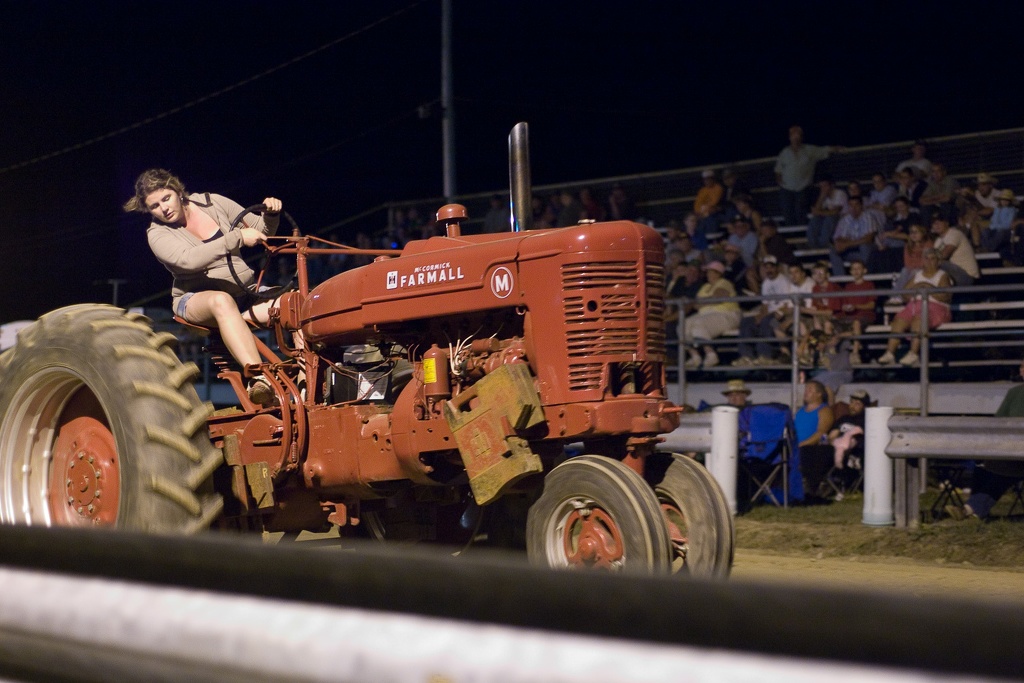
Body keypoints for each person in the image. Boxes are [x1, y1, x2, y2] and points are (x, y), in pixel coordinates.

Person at [125, 168, 283, 405]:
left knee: (295, 303)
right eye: (155, 206)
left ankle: (306, 382)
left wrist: (271, 214)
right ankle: (258, 378)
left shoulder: (212, 202)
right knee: (221, 300)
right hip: (195, 299)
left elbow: (260, 231)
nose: (164, 208)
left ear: (177, 191)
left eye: (166, 198)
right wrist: (236, 238)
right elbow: (188, 260)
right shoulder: (157, 234)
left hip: (244, 293)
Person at [946, 358, 1024, 521]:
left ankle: (971, 510)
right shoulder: (1015, 393)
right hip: (1012, 449)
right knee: (984, 464)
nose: (1022, 370)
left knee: (1003, 470)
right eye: (1022, 366)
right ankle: (973, 510)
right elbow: (998, 422)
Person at [877, 249, 953, 366]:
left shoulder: (942, 275)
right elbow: (905, 294)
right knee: (899, 320)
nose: (929, 261)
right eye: (926, 259)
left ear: (938, 261)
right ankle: (890, 353)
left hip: (935, 307)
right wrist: (919, 287)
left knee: (919, 318)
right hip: (914, 305)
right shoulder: (918, 275)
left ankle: (913, 353)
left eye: (932, 259)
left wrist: (926, 288)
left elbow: (946, 296)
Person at [732, 255, 792, 366]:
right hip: (769, 314)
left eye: (771, 267)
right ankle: (746, 356)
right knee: (747, 321)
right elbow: (765, 305)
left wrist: (766, 316)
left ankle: (766, 355)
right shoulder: (765, 284)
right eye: (766, 267)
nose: (769, 270)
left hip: (781, 315)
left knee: (767, 321)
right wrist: (759, 316)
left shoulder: (784, 282)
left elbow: (786, 305)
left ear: (777, 268)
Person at [774, 125, 839, 227]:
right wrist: (779, 180)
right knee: (787, 212)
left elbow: (824, 150)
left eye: (797, 135)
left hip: (803, 187)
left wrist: (837, 148)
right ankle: (792, 236)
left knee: (801, 212)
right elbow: (778, 169)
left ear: (801, 137)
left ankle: (802, 235)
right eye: (793, 135)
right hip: (786, 188)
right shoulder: (784, 152)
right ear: (789, 137)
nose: (795, 137)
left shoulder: (810, 150)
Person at [681, 261, 741, 369]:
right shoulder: (705, 287)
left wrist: (702, 302)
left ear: (717, 273)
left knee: (699, 324)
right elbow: (696, 305)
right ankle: (695, 356)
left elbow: (718, 298)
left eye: (710, 272)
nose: (707, 274)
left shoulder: (724, 282)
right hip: (706, 314)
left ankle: (711, 354)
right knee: (684, 324)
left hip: (725, 313)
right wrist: (706, 301)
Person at [794, 380, 835, 501]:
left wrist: (802, 444)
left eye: (810, 390)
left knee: (808, 453)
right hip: (796, 446)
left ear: (819, 394)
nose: (806, 392)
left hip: (811, 448)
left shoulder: (824, 411)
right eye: (806, 389)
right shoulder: (800, 411)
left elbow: (820, 433)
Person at [829, 195, 880, 277]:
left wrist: (847, 243)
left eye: (856, 205)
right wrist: (845, 243)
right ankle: (841, 279)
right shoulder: (844, 220)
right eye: (851, 205)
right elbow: (838, 238)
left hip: (868, 250)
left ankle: (864, 275)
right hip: (851, 250)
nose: (854, 208)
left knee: (864, 246)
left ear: (861, 206)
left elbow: (868, 239)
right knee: (834, 249)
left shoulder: (868, 217)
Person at [931, 214, 979, 287]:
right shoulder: (938, 241)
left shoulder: (954, 233)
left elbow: (944, 255)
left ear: (946, 223)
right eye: (934, 223)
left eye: (939, 222)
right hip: (953, 274)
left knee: (939, 263)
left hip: (967, 275)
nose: (936, 225)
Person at [806, 175, 848, 249]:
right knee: (815, 220)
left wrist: (820, 212)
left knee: (830, 218)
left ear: (831, 185)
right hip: (827, 218)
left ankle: (823, 243)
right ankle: (812, 244)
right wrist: (822, 197)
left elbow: (836, 211)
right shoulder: (823, 196)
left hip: (842, 219)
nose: (823, 189)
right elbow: (815, 211)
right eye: (821, 186)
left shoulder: (840, 193)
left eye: (825, 186)